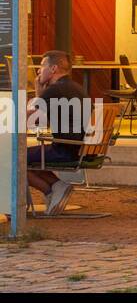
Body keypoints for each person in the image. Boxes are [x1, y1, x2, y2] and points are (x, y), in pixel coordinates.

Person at [26, 51, 91, 215]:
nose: (39, 70)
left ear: (53, 68)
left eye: (42, 65)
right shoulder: (75, 88)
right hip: (79, 149)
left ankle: (52, 190)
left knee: (14, 159)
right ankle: (57, 188)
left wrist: (37, 90)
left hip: (65, 150)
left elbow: (31, 120)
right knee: (24, 158)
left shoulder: (55, 90)